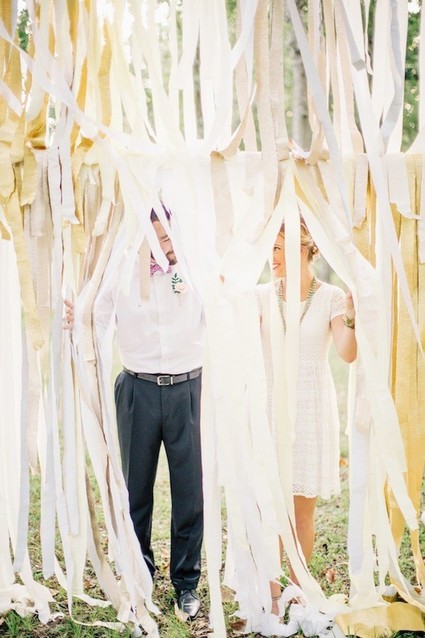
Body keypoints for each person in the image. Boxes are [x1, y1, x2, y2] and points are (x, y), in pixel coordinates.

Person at [64, 208, 204, 620]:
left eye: (170, 235)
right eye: (160, 238)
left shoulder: (194, 268)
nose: (168, 245)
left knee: (189, 491)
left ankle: (186, 583)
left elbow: (224, 311)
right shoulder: (120, 272)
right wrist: (75, 320)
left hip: (188, 388)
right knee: (134, 490)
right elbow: (95, 322)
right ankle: (140, 572)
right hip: (136, 390)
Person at [256, 218, 357, 617]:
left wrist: (353, 315)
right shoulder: (261, 296)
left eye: (279, 248)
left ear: (303, 248)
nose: (272, 257)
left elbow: (347, 352)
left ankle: (298, 594)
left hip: (312, 409)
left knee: (301, 511)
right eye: (271, 248)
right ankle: (270, 596)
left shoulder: (331, 297)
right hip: (270, 407)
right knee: (271, 507)